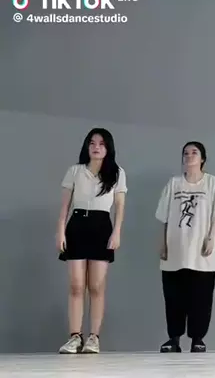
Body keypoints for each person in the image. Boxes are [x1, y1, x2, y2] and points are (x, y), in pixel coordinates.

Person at [56, 128, 128, 354]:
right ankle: (74, 336)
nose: (96, 147)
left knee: (96, 286)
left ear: (108, 148)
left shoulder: (117, 173)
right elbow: (65, 206)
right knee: (76, 285)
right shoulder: (75, 171)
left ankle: (94, 337)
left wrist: (117, 232)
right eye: (92, 143)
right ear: (87, 146)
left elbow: (120, 206)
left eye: (102, 144)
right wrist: (60, 231)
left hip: (101, 226)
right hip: (77, 225)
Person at [155, 141, 215, 353]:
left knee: (201, 297)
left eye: (194, 152)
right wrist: (162, 242)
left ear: (202, 159)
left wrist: (211, 237)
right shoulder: (174, 183)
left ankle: (198, 339)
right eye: (186, 153)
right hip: (176, 248)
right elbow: (163, 216)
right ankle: (173, 339)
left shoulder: (211, 183)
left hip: (201, 250)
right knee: (174, 296)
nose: (189, 156)